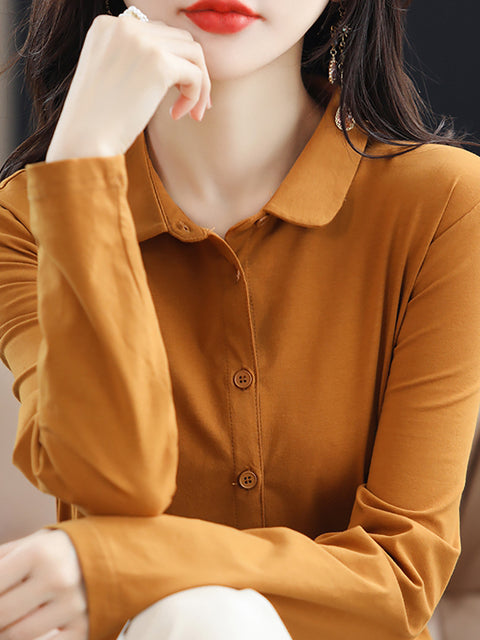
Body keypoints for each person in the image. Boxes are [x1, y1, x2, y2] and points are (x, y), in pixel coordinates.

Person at [0, 0, 480, 639]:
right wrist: (80, 166)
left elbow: (400, 577)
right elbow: (116, 479)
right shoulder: (30, 219)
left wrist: (120, 564)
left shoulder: (446, 206)